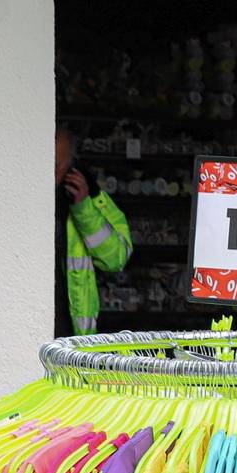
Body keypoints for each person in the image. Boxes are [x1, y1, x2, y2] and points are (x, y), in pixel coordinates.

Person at [55, 125, 133, 336]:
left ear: (72, 167)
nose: (51, 175)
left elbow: (116, 257)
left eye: (57, 166)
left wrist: (83, 209)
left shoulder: (87, 197)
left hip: (70, 339)